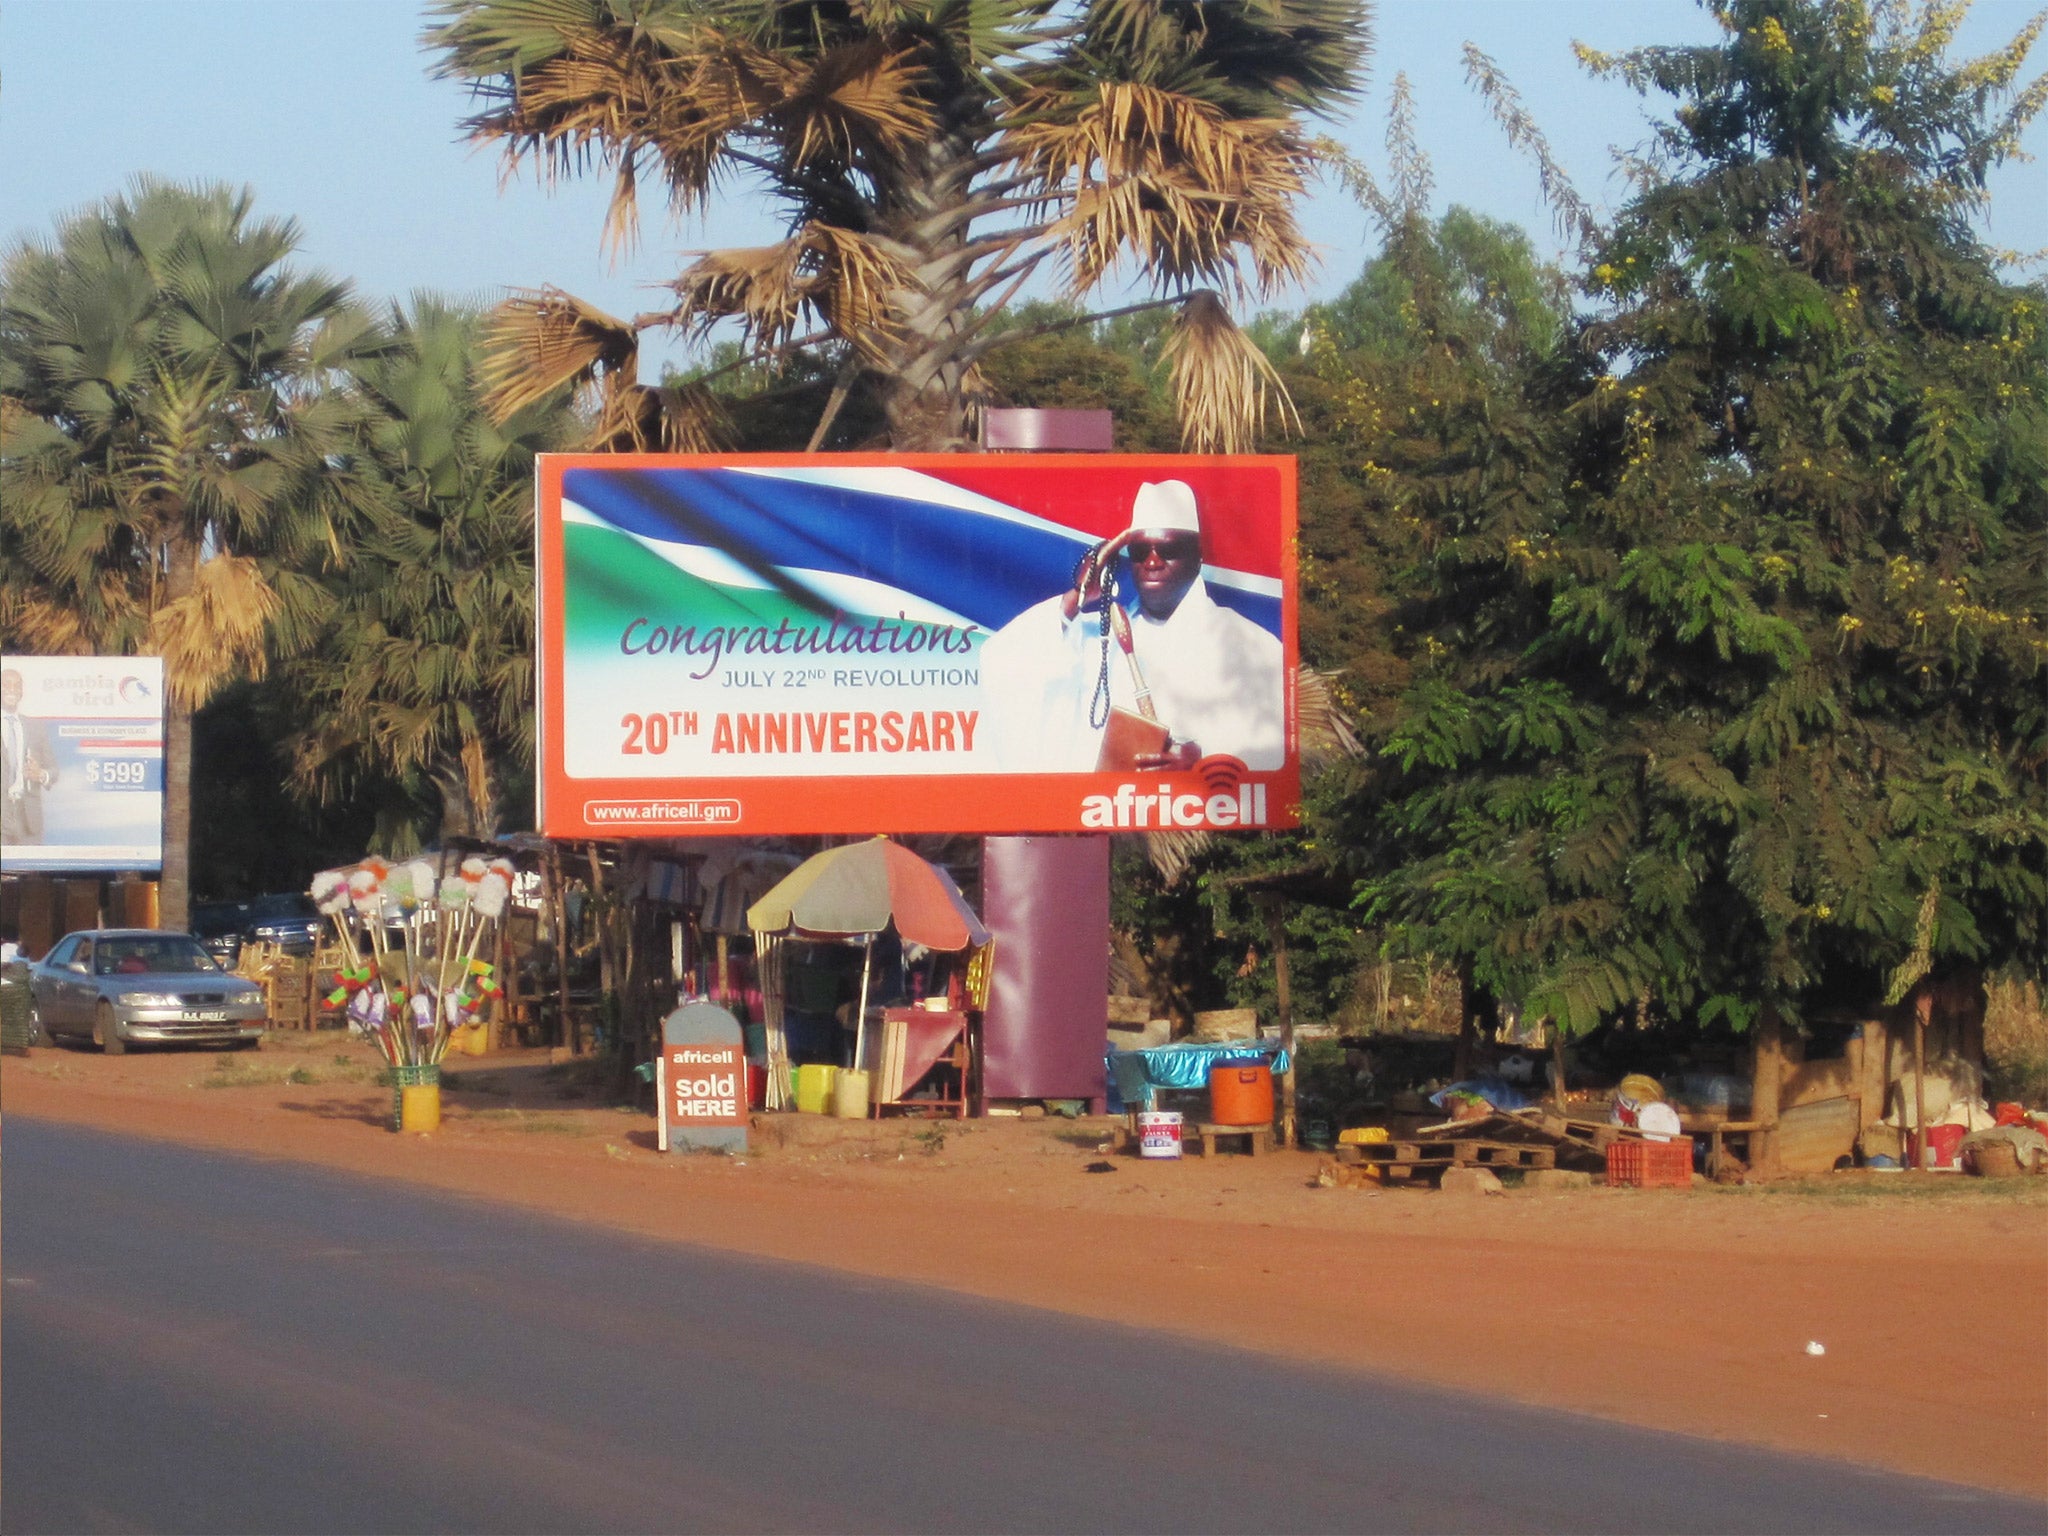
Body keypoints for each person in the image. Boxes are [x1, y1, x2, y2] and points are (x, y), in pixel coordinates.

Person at [980, 480, 1285, 771]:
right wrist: (1078, 595)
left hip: (1200, 817)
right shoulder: (1099, 637)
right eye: (1140, 552)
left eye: (1168, 550)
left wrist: (1205, 760)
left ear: (1198, 556)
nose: (1152, 562)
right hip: (1106, 817)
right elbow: (1002, 661)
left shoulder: (1248, 642)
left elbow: (1278, 752)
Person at [2, 668, 57, 846]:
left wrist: (41, 774)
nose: (12, 689)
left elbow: (53, 770)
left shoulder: (35, 727)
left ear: (22, 692)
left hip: (28, 820)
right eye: (6, 685)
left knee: (31, 873)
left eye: (16, 686)